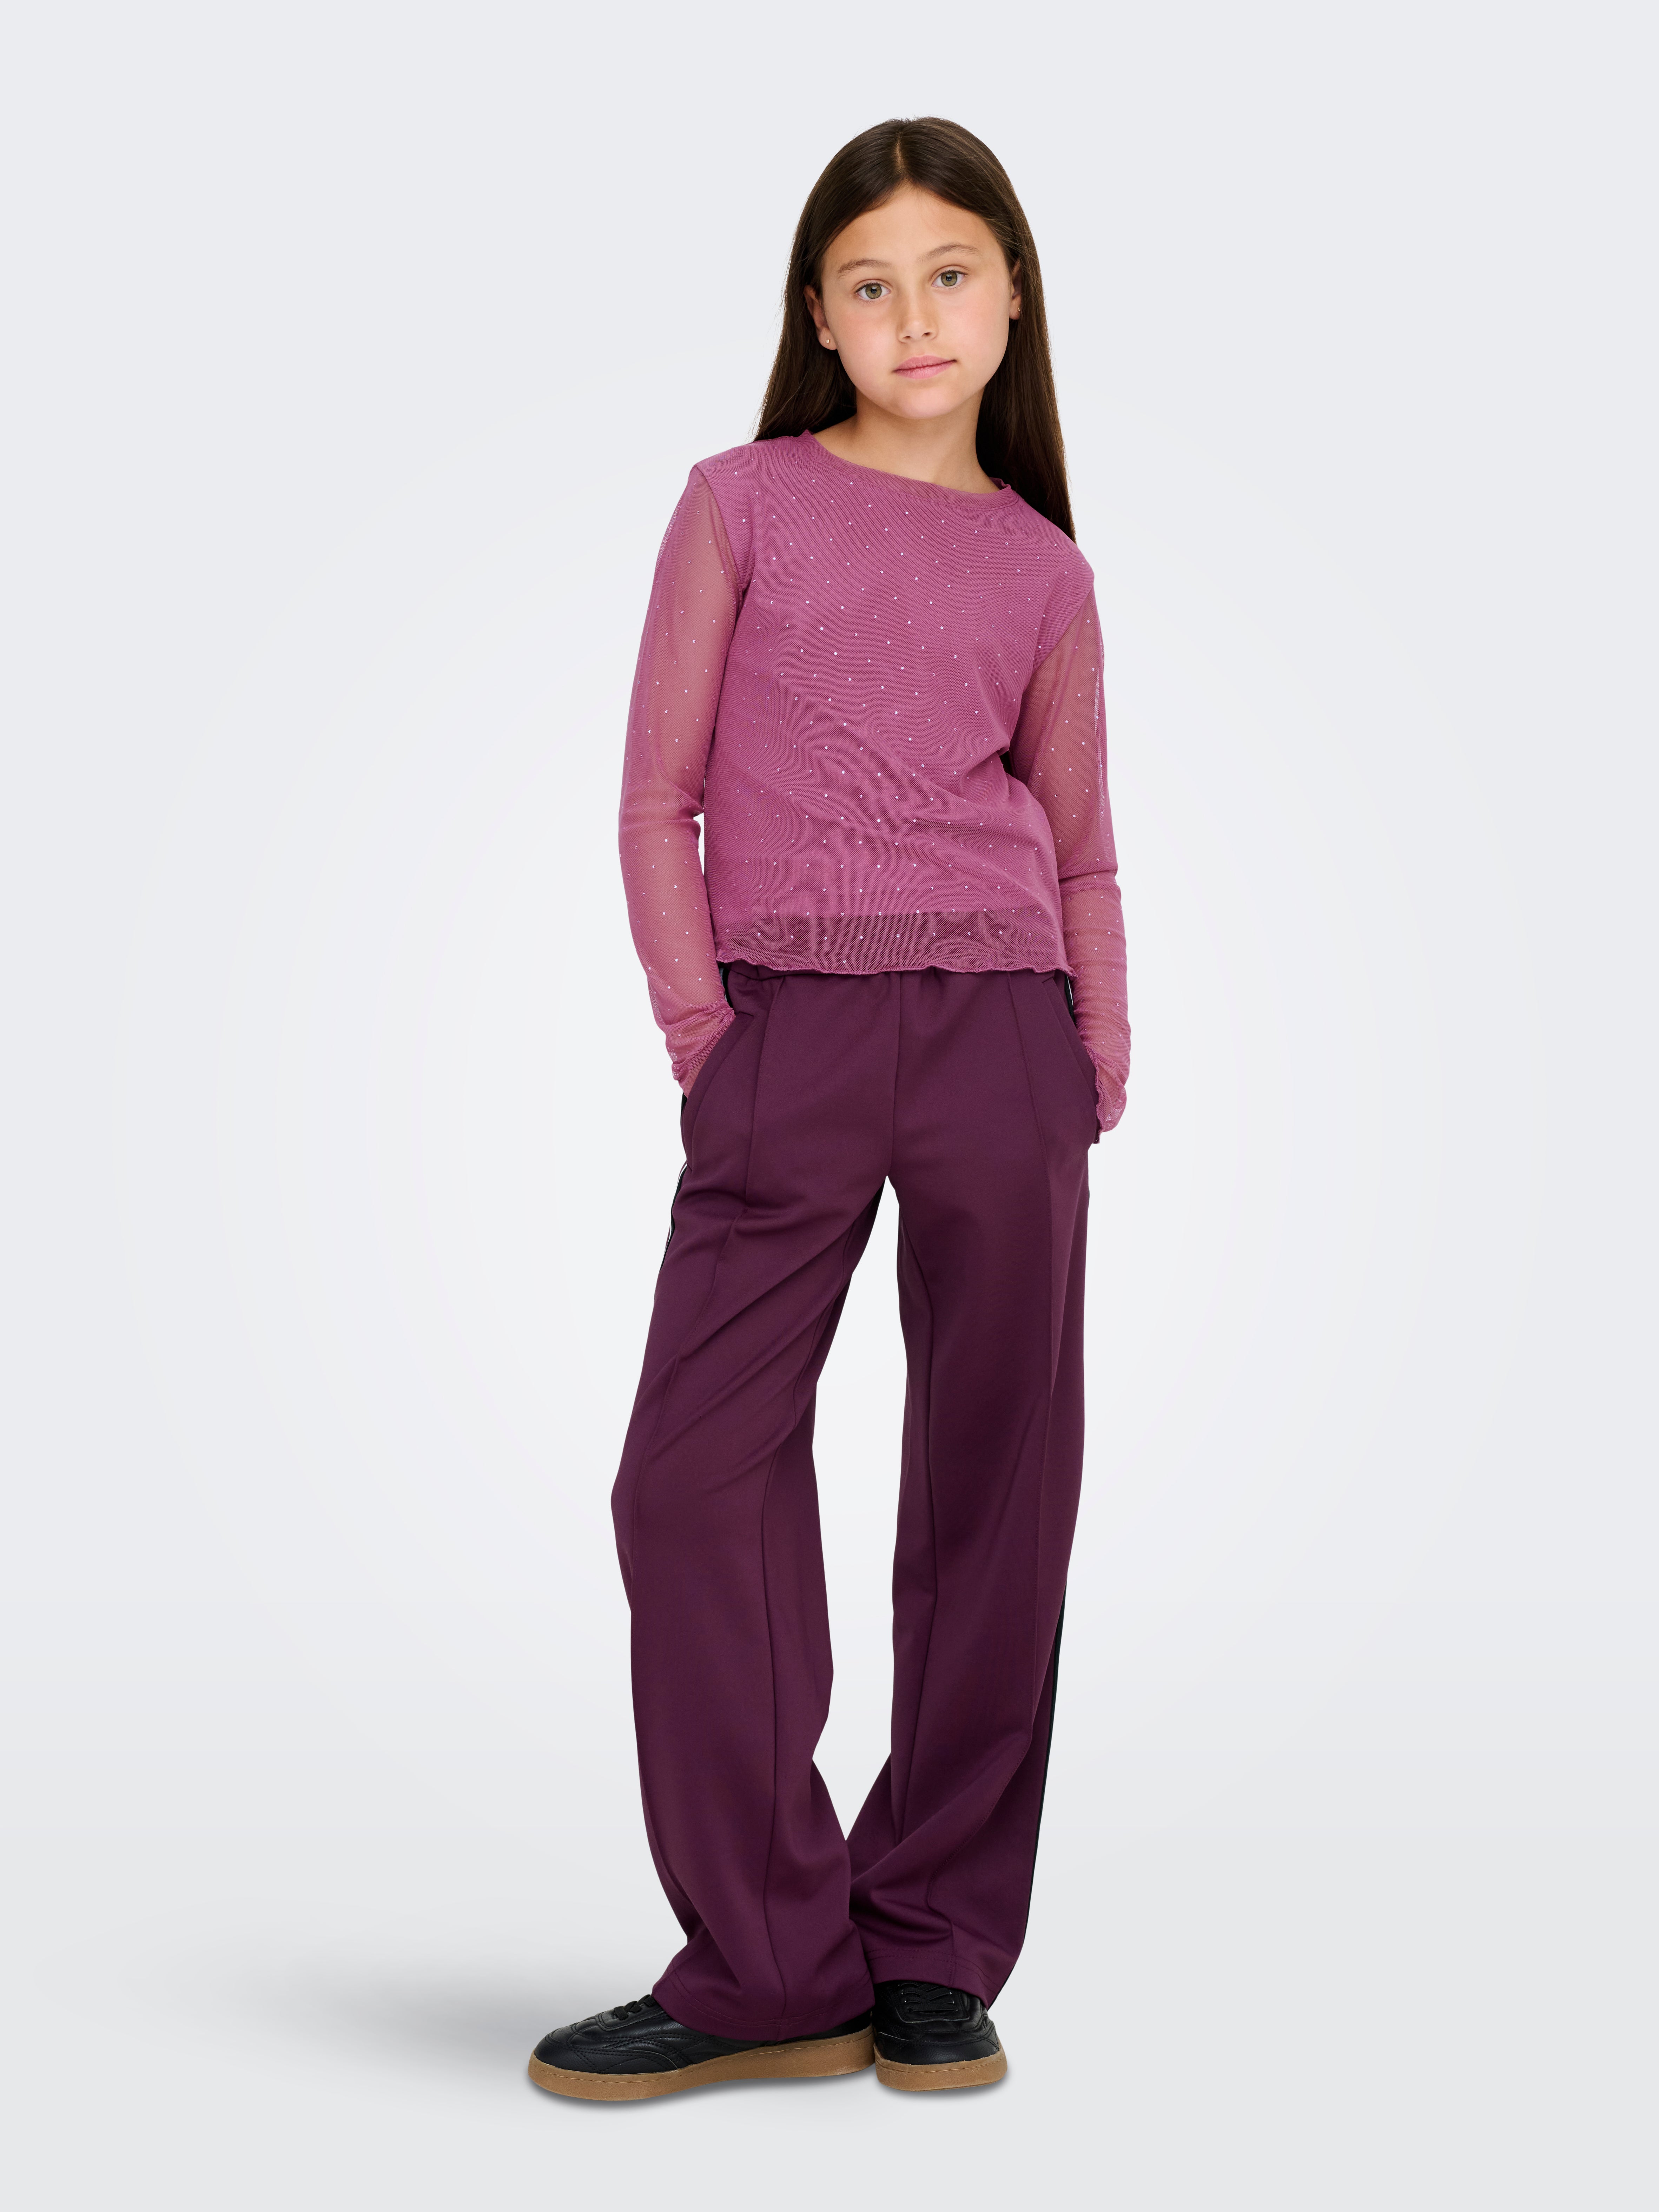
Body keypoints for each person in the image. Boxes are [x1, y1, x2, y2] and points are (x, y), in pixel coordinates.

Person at [530, 115, 1129, 2103]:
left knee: (995, 1490)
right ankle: (774, 1957)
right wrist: (707, 1035)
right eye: (869, 284)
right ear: (818, 317)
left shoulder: (1045, 570)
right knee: (688, 1480)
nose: (913, 314)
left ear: (1012, 295)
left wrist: (1094, 1055)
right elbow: (655, 797)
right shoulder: (740, 504)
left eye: (949, 272)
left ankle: (933, 1939)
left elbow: (1081, 846)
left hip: (1002, 1040)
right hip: (782, 1036)